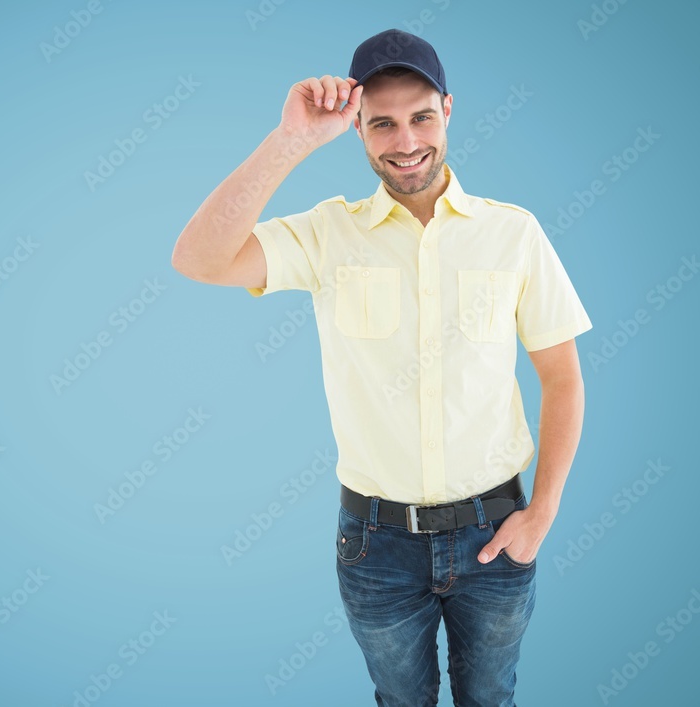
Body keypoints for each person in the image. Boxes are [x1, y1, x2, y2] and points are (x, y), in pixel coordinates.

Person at [171, 27, 591, 707]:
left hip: (496, 533)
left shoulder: (514, 232)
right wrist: (292, 139)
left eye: (421, 117)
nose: (406, 141)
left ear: (448, 110)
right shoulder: (326, 233)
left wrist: (543, 510)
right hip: (376, 545)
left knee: (493, 699)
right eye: (383, 124)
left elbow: (563, 377)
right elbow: (199, 257)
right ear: (359, 129)